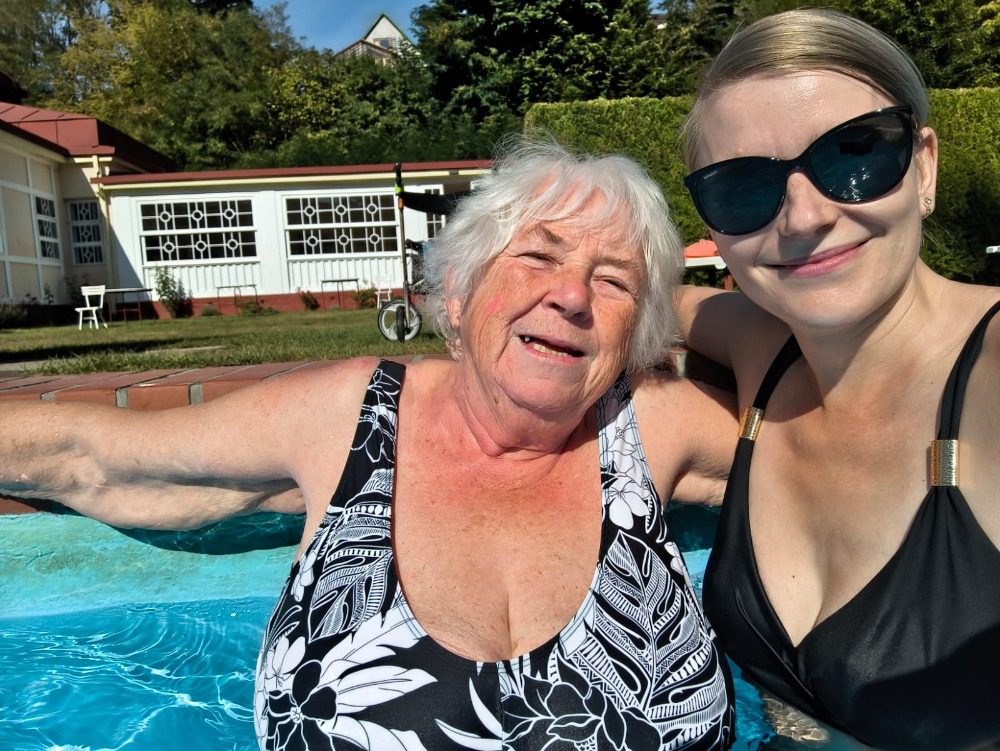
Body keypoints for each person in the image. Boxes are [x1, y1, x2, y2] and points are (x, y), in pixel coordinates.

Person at [1, 139, 738, 750]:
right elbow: (92, 457)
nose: (572, 296)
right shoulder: (352, 415)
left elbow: (812, 443)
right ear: (458, 293)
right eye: (539, 258)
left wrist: (696, 305)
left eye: (614, 283)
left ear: (639, 333)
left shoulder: (646, 424)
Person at [675, 9, 1000, 751]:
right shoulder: (764, 348)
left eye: (854, 154)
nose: (804, 218)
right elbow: (657, 301)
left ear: (923, 166)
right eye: (742, 188)